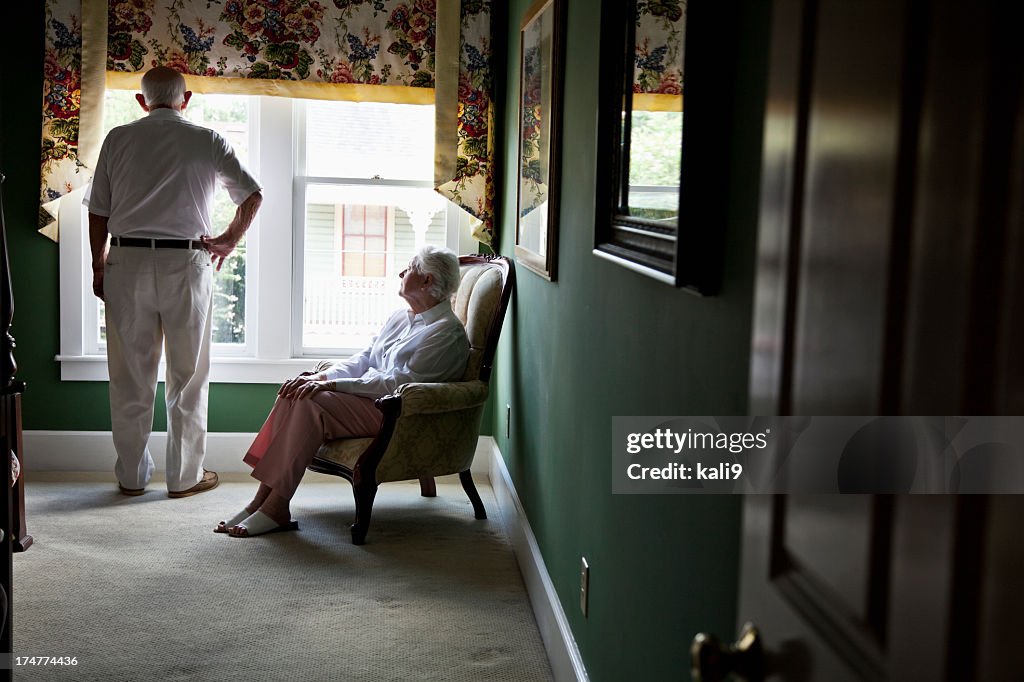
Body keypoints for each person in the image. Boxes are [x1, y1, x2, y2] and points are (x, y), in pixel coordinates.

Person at [86, 66, 263, 498]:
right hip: (187, 262)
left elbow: (98, 211)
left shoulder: (118, 138)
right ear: (186, 99)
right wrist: (227, 240)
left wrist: (99, 265)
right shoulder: (207, 139)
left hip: (126, 260)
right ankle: (184, 478)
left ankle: (131, 478)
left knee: (130, 375)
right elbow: (252, 194)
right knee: (188, 375)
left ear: (142, 101)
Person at [217, 245, 469, 537]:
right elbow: (364, 358)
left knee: (311, 402)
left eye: (410, 267)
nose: (402, 273)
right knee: (295, 391)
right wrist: (321, 375)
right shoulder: (402, 317)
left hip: (396, 412)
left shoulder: (445, 333)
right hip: (367, 399)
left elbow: (396, 385)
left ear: (426, 280)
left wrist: (331, 386)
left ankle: (276, 507)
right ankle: (262, 501)